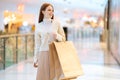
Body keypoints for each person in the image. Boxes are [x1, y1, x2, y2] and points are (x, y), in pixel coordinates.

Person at [33, 3, 66, 80]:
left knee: (55, 77)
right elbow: (37, 44)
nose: (51, 12)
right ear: (43, 12)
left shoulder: (57, 23)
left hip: (55, 53)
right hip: (43, 54)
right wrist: (35, 58)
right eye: (49, 10)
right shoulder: (38, 26)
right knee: (43, 77)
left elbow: (64, 39)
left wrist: (57, 36)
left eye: (52, 10)